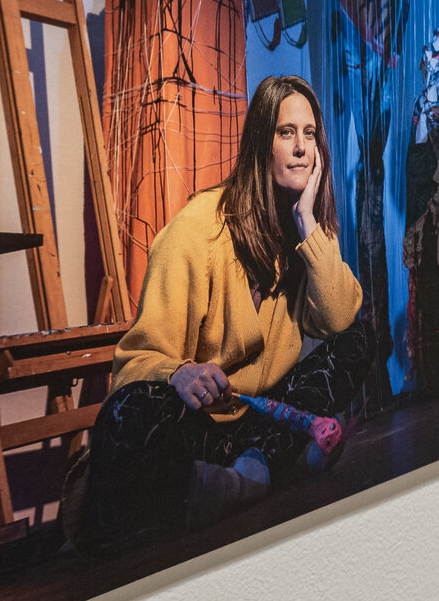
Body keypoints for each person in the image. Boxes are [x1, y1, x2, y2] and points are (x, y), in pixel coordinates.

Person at [75, 74, 370, 550]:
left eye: (310, 134)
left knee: (362, 340)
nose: (300, 148)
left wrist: (310, 222)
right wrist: (179, 373)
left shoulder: (307, 230)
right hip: (198, 429)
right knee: (129, 416)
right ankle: (258, 474)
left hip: (256, 426)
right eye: (285, 132)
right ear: (260, 144)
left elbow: (338, 320)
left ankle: (242, 478)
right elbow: (132, 367)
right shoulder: (195, 231)